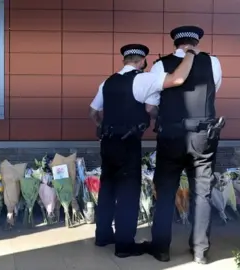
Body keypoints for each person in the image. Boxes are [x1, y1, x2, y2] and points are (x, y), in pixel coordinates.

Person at [89, 44, 198, 258]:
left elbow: (92, 111)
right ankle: (124, 245)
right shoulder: (142, 78)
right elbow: (176, 79)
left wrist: (100, 126)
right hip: (128, 143)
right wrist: (191, 54)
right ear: (142, 61)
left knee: (108, 189)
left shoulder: (108, 82)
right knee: (128, 192)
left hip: (107, 143)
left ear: (124, 60)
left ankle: (102, 236)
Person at [145, 25, 223, 264]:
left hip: (171, 137)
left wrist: (167, 114)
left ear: (175, 43)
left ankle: (161, 249)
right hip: (203, 138)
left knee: (166, 192)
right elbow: (213, 91)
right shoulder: (213, 63)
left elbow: (150, 106)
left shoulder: (160, 65)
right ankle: (200, 251)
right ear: (196, 42)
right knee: (202, 193)